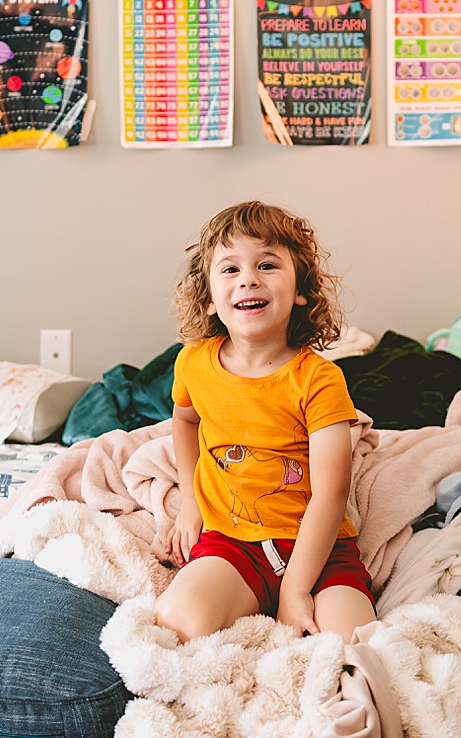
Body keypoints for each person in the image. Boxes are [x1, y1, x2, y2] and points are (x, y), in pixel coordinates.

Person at [154, 201, 377, 644]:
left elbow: (332, 493)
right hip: (232, 545)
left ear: (300, 290)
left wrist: (296, 587)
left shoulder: (319, 378)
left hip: (318, 549)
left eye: (267, 264)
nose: (248, 279)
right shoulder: (194, 364)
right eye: (230, 269)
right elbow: (184, 421)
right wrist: (190, 503)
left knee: (350, 642)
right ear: (210, 297)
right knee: (179, 618)